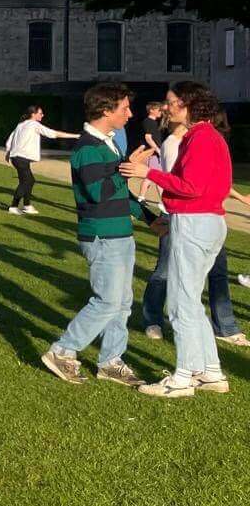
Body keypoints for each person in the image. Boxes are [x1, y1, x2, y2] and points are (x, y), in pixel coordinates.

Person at [121, 81, 234, 398]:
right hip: (205, 221)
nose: (166, 108)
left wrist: (147, 173)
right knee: (191, 300)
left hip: (195, 222)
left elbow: (191, 187)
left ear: (188, 105)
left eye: (171, 102)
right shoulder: (207, 137)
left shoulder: (201, 138)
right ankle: (211, 372)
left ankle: (182, 377)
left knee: (181, 303)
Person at [39, 83, 151, 389]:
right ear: (105, 110)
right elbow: (98, 192)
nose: (130, 114)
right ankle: (63, 350)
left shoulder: (108, 144)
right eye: (124, 108)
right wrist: (127, 169)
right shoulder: (88, 148)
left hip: (120, 234)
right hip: (102, 236)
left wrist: (151, 219)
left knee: (123, 303)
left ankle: (110, 361)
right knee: (108, 301)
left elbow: (120, 194)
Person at [141, 111, 246, 346]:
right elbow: (182, 183)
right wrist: (147, 174)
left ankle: (225, 326)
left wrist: (239, 197)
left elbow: (211, 180)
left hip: (204, 217)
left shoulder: (203, 140)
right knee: (165, 270)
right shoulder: (174, 143)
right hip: (179, 215)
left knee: (218, 271)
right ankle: (153, 319)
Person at [4, 105, 78, 214]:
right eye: (40, 113)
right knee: (26, 181)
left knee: (29, 181)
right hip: (20, 158)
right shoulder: (34, 124)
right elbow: (53, 134)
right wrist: (75, 136)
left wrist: (8, 153)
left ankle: (27, 205)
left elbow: (10, 139)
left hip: (17, 158)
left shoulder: (20, 125)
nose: (42, 115)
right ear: (33, 114)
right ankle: (14, 206)